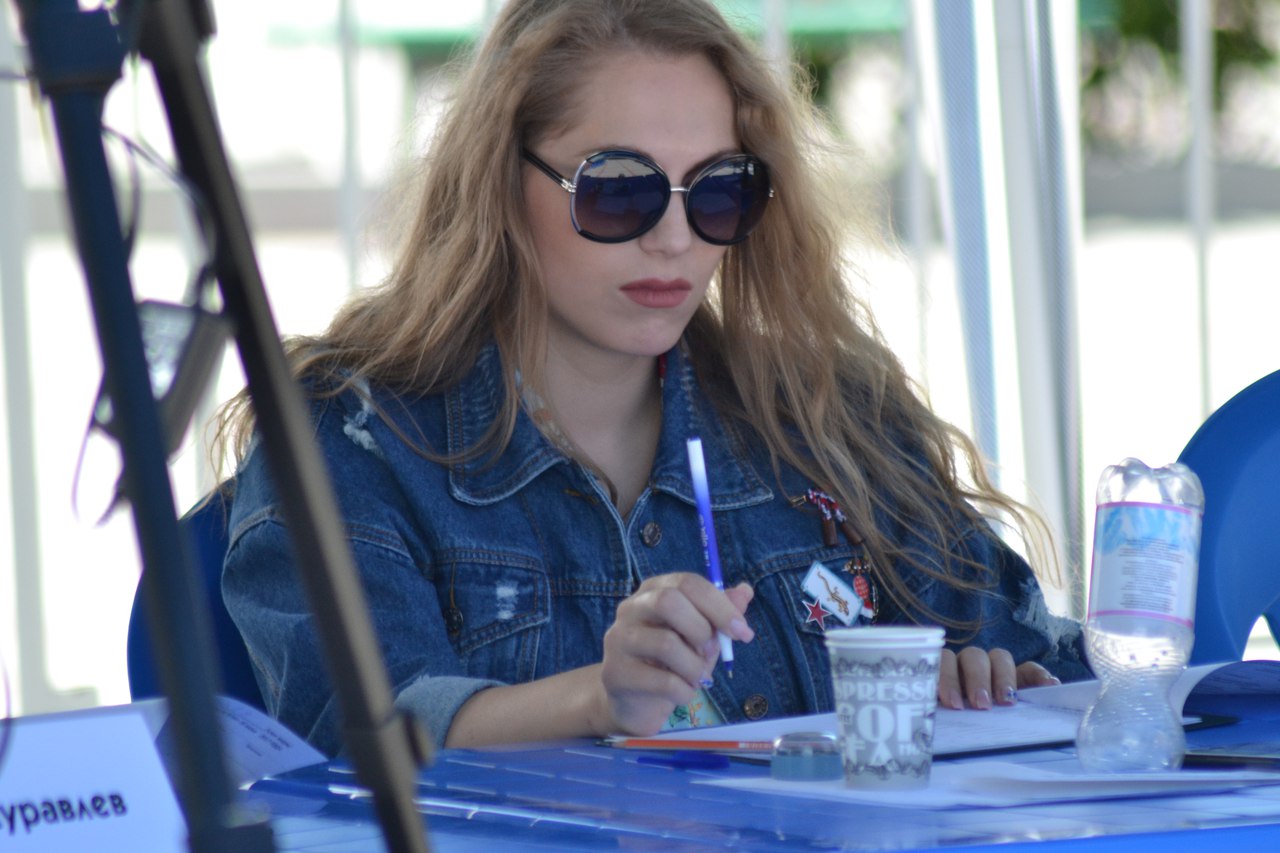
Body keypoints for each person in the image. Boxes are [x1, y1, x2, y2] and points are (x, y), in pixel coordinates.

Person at [216, 0, 1089, 756]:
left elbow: (1061, 670)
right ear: (499, 183)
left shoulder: (827, 415)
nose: (674, 239)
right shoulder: (354, 439)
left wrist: (991, 683)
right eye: (619, 190)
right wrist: (599, 698)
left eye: (718, 191)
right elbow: (363, 736)